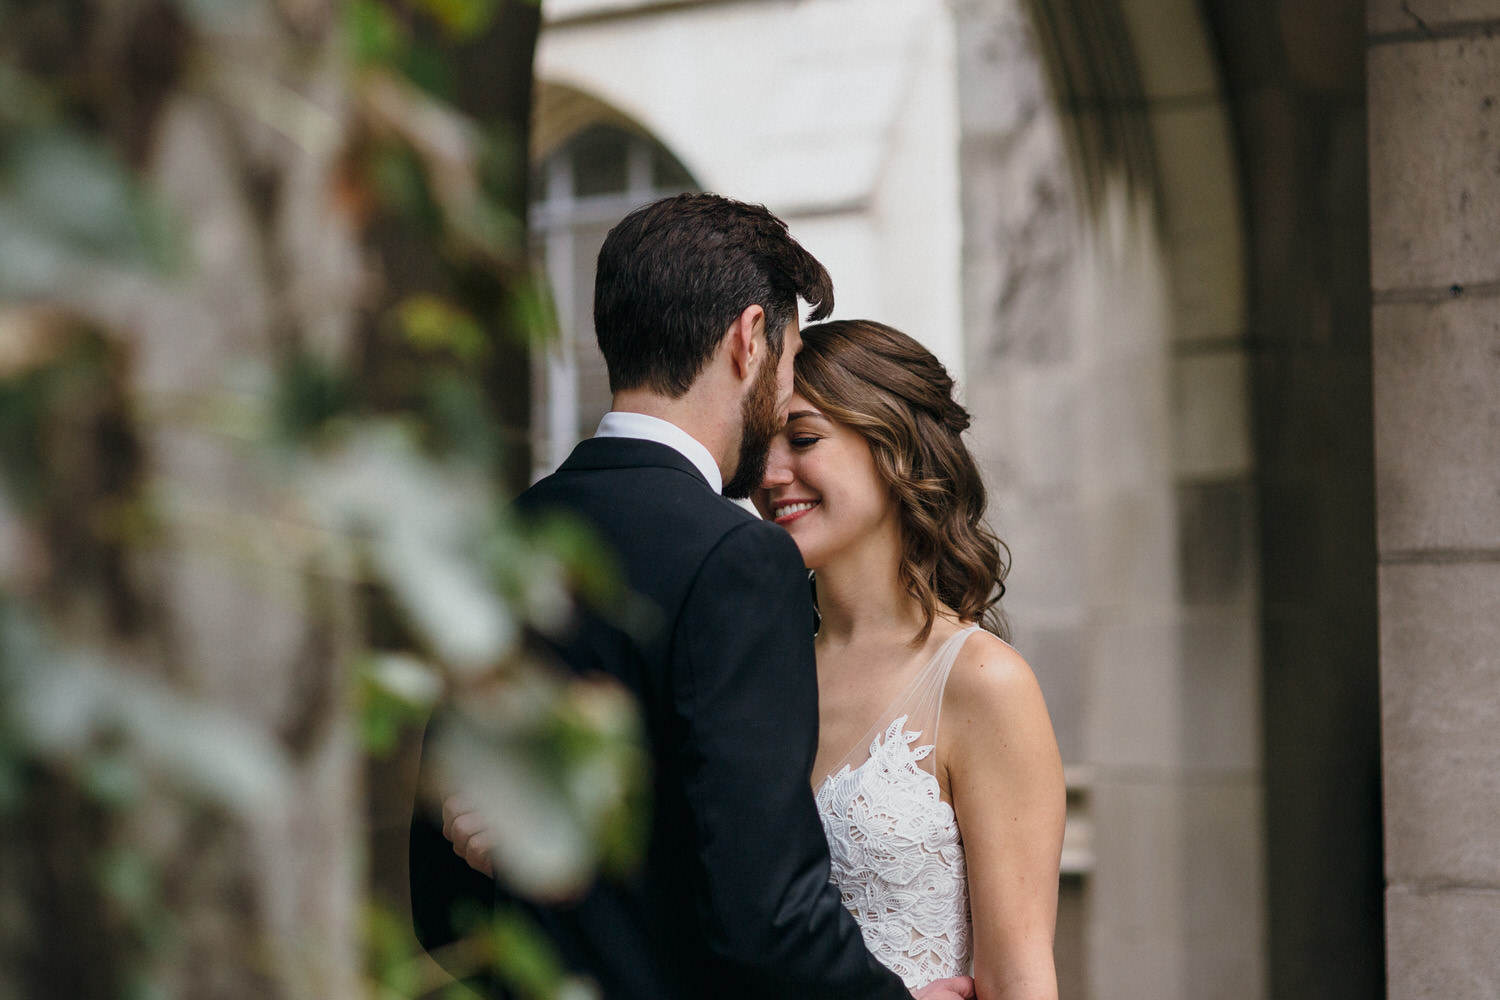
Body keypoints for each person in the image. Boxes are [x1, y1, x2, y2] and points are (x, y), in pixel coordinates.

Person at [409, 194, 974, 1000]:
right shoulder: (738, 560)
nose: (781, 399)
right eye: (785, 365)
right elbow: (763, 915)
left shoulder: (500, 542)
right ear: (749, 339)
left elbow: (443, 909)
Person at [752, 319, 1067, 1000]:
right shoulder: (756, 674)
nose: (771, 476)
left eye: (803, 439)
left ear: (894, 445)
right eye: (760, 448)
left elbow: (1020, 982)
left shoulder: (984, 684)